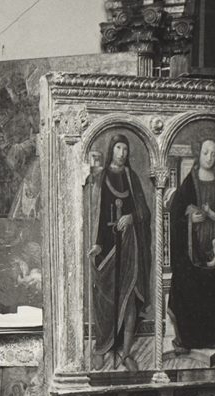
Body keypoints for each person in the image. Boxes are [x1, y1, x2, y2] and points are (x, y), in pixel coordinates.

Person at [167, 131, 215, 351]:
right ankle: (190, 338)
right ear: (198, 153)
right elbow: (175, 214)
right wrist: (189, 219)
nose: (210, 157)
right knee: (185, 276)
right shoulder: (189, 182)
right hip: (193, 248)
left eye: (213, 153)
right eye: (205, 152)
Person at [87, 134, 152, 370]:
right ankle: (101, 348)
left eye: (125, 149)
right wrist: (97, 244)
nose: (122, 153)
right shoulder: (102, 177)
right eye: (118, 148)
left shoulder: (131, 177)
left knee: (130, 300)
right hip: (107, 245)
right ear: (111, 150)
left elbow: (145, 211)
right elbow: (97, 214)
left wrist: (131, 217)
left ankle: (125, 353)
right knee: (105, 300)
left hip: (130, 245)